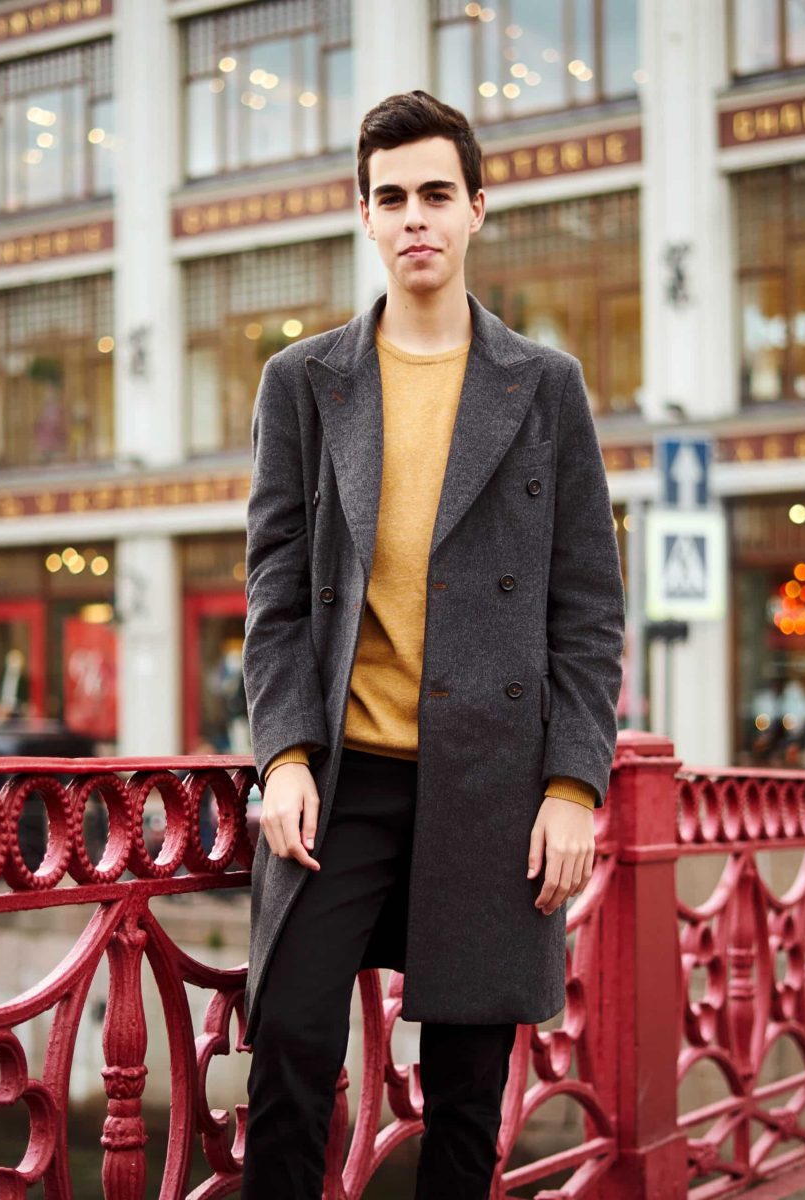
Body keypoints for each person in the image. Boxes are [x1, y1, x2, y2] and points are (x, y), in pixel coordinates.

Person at [239, 90, 625, 1200]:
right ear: (364, 213)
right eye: (393, 196)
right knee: (291, 1044)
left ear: (475, 210)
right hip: (345, 779)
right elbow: (274, 591)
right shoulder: (303, 383)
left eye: (437, 194)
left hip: (492, 783)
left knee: (466, 1089)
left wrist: (573, 786)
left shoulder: (544, 385)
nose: (416, 216)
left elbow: (587, 607)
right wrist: (285, 755)